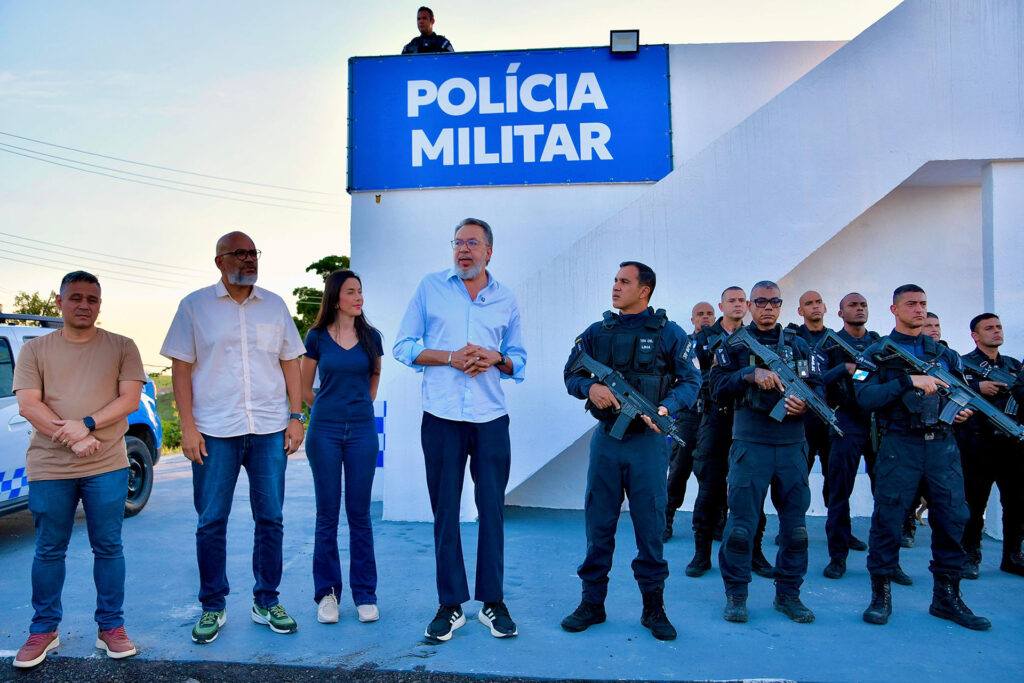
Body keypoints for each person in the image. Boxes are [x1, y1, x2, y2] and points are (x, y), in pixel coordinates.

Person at [161, 232, 306, 644]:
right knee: (210, 522)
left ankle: (267, 601)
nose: (248, 260)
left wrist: (296, 418)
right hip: (214, 430)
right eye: (239, 254)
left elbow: (290, 363)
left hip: (268, 429)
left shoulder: (275, 306)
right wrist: (187, 427)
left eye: (253, 253)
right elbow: (182, 369)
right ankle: (212, 606)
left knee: (271, 519)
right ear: (219, 261)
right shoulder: (194, 307)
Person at [393, 218, 526, 642]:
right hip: (442, 417)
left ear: (489, 251)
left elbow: (518, 360)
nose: (463, 250)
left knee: (493, 510)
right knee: (446, 511)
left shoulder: (505, 299)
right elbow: (403, 346)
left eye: (472, 243)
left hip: (490, 418)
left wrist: (495, 358)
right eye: (457, 242)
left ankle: (492, 603)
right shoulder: (430, 288)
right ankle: (450, 605)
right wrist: (450, 357)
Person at [11, 271, 146, 669]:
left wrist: (86, 424)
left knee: (108, 547)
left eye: (92, 298)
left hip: (107, 465)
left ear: (99, 304)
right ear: (59, 302)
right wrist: (74, 438)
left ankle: (111, 628)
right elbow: (28, 405)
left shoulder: (122, 346)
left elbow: (129, 400)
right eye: (76, 298)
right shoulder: (35, 350)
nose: (84, 304)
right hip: (49, 467)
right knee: (49, 550)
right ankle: (44, 630)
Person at [561, 262, 699, 641]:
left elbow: (691, 380)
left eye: (625, 281)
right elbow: (571, 373)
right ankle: (592, 603)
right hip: (607, 440)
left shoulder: (670, 333)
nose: (616, 286)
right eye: (615, 280)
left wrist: (666, 407)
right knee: (599, 523)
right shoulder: (597, 332)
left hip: (648, 442)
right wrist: (590, 389)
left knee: (651, 526)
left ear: (645, 290)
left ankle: (653, 607)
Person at [856, 284, 989, 630]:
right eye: (911, 304)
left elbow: (963, 392)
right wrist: (907, 382)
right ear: (894, 309)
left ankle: (947, 596)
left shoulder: (945, 355)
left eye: (923, 304)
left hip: (942, 445)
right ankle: (880, 595)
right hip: (900, 445)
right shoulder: (876, 352)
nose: (918, 310)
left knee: (952, 517)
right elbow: (864, 397)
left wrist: (960, 410)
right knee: (889, 519)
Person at [709, 281, 820, 624]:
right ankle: (737, 595)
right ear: (751, 306)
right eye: (761, 302)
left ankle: (788, 595)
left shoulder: (800, 345)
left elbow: (820, 387)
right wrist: (749, 374)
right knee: (741, 527)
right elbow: (715, 389)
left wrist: (807, 404)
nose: (768, 307)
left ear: (782, 306)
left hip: (791, 447)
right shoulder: (732, 345)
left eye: (774, 302)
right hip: (750, 445)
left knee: (796, 530)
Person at [300, 270, 384, 625]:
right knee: (327, 515)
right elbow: (305, 387)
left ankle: (365, 595)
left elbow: (375, 374)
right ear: (336, 298)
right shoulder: (316, 337)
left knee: (360, 515)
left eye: (360, 291)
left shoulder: (370, 337)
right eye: (351, 291)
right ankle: (328, 595)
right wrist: (326, 408)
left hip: (363, 431)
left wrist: (361, 405)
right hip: (325, 432)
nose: (358, 297)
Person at [687, 287, 773, 580]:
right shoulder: (703, 339)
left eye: (741, 301)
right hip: (715, 418)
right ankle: (701, 554)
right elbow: (695, 377)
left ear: (747, 306)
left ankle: (754, 552)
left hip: (748, 422)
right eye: (731, 301)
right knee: (709, 487)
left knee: (752, 491)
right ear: (721, 305)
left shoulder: (755, 339)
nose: (737, 305)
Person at [957, 313, 1023, 579]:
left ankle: (1013, 556)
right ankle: (970, 555)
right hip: (977, 444)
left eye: (998, 327)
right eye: (989, 328)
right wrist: (977, 386)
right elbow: (949, 391)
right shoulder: (963, 365)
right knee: (973, 505)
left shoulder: (1013, 366)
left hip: (1012, 445)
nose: (996, 332)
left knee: (1017, 504)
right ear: (975, 335)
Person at [819, 293, 877, 579]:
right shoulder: (830, 344)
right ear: (840, 313)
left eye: (863, 305)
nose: (859, 309)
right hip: (846, 422)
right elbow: (816, 381)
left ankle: (887, 561)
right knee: (839, 492)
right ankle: (837, 556)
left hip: (878, 425)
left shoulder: (879, 344)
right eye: (853, 305)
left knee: (888, 495)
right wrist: (843, 368)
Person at [663, 301, 714, 542]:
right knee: (679, 468)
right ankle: (666, 519)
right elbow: (682, 376)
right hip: (688, 414)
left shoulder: (723, 341)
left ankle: (717, 520)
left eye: (709, 314)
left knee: (715, 471)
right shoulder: (684, 343)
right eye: (700, 314)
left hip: (714, 413)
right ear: (692, 319)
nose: (705, 318)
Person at [787, 290, 832, 507]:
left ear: (825, 307)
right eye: (809, 303)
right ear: (800, 310)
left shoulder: (836, 340)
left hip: (831, 417)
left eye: (818, 302)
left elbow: (856, 377)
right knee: (796, 477)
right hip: (803, 419)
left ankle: (838, 533)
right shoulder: (793, 340)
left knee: (835, 479)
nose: (815, 306)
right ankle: (793, 525)